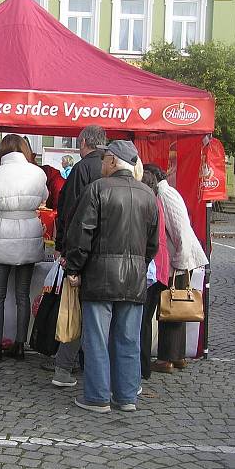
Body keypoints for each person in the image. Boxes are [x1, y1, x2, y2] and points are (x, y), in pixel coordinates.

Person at [65, 140, 158, 413]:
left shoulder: (97, 189)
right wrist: (140, 264)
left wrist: (74, 268)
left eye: (105, 158)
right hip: (134, 277)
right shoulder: (148, 195)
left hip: (99, 277)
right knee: (128, 338)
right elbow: (152, 243)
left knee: (96, 338)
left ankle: (97, 397)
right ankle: (127, 396)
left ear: (114, 161)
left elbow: (81, 234)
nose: (102, 162)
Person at [49, 125, 105, 387]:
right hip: (105, 254)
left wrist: (64, 248)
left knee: (75, 311)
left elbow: (70, 211)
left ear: (83, 142)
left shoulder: (82, 169)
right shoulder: (110, 169)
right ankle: (87, 366)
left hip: (82, 251)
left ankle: (64, 366)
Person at [0, 134, 48, 361]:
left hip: (3, 231)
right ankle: (20, 345)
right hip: (30, 231)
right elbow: (44, 198)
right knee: (22, 295)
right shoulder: (38, 173)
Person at [146, 164, 209, 375]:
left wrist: (179, 263)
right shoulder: (165, 192)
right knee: (175, 308)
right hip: (178, 259)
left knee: (171, 309)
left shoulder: (165, 193)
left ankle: (167, 358)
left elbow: (181, 229)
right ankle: (177, 356)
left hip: (179, 261)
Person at [139, 168, 170, 381]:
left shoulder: (150, 204)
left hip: (153, 269)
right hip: (159, 268)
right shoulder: (156, 201)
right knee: (145, 321)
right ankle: (143, 366)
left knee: (142, 321)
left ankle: (142, 367)